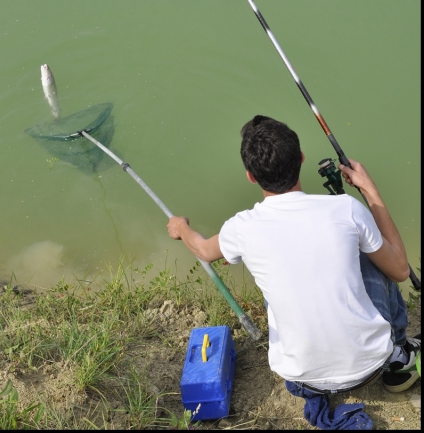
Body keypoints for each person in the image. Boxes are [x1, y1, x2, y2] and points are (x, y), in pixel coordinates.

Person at [167, 115, 420, 395]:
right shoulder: (346, 209)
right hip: (371, 365)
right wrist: (369, 189)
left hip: (302, 378)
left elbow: (203, 249)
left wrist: (180, 227)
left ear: (251, 176)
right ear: (301, 158)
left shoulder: (242, 227)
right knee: (371, 252)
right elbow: (399, 270)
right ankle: (399, 354)